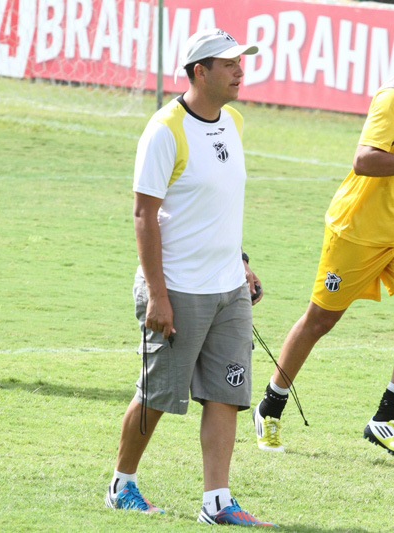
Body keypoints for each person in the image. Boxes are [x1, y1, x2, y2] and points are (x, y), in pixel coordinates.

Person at [252, 29, 394, 458]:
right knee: (320, 322)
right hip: (357, 231)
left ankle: (385, 419)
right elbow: (365, 159)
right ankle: (269, 406)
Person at [105, 29, 275, 527]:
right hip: (177, 289)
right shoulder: (165, 129)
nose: (240, 70)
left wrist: (240, 262)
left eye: (241, 61)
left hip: (228, 289)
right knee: (158, 394)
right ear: (200, 71)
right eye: (229, 64)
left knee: (228, 392)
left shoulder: (235, 121)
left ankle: (217, 501)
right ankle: (122, 484)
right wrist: (157, 294)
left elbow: (220, 204)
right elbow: (143, 214)